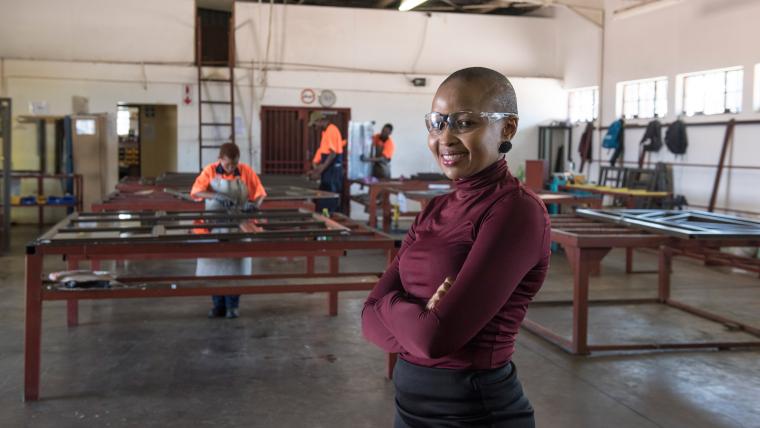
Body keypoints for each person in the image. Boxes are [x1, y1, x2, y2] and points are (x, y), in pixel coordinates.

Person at [361, 67, 550, 427]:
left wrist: (389, 305)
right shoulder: (436, 209)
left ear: (507, 128)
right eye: (437, 123)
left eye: (464, 123)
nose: (444, 138)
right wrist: (413, 312)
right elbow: (368, 322)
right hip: (410, 409)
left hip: (475, 412)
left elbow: (434, 338)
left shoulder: (516, 212)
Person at [190, 143, 267, 319]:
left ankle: (233, 305)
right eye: (227, 165)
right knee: (214, 270)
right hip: (214, 226)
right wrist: (216, 195)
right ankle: (217, 305)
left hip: (238, 227)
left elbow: (260, 193)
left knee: (235, 269)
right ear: (220, 159)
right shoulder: (209, 171)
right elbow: (196, 192)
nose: (231, 168)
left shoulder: (246, 171)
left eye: (234, 165)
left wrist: (254, 205)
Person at [307, 111, 344, 213]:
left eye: (315, 124)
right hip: (329, 167)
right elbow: (324, 151)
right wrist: (316, 167)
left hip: (333, 169)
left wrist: (320, 171)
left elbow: (332, 154)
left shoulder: (332, 130)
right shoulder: (326, 131)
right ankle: (324, 214)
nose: (315, 127)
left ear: (319, 121)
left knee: (330, 194)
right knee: (324, 193)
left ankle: (329, 217)